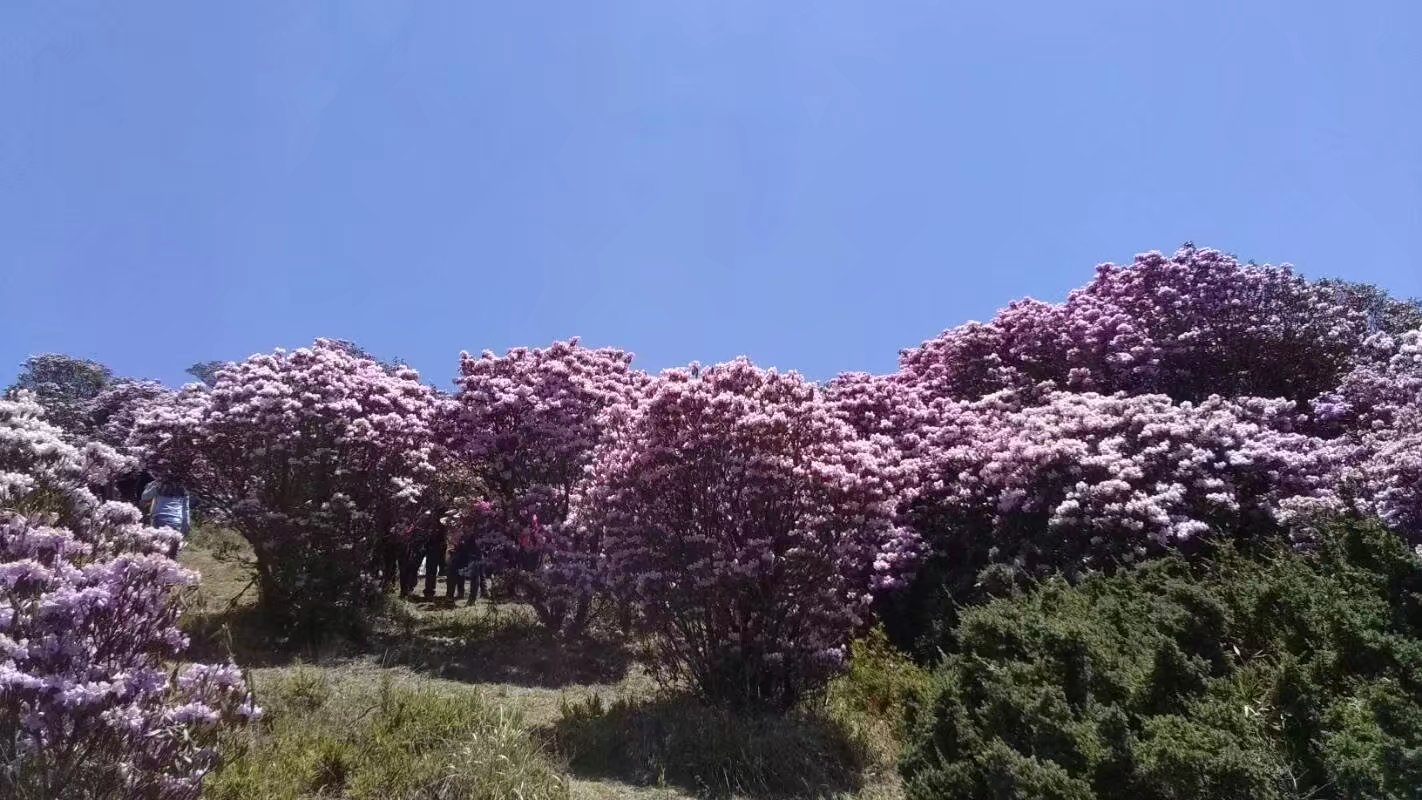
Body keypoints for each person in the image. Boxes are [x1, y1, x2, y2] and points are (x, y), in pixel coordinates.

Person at [140, 476, 190, 557]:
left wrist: (151, 485)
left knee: (157, 547)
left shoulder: (159, 487)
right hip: (176, 521)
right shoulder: (184, 490)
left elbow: (144, 496)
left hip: (160, 518)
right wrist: (185, 527)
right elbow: (186, 510)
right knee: (172, 550)